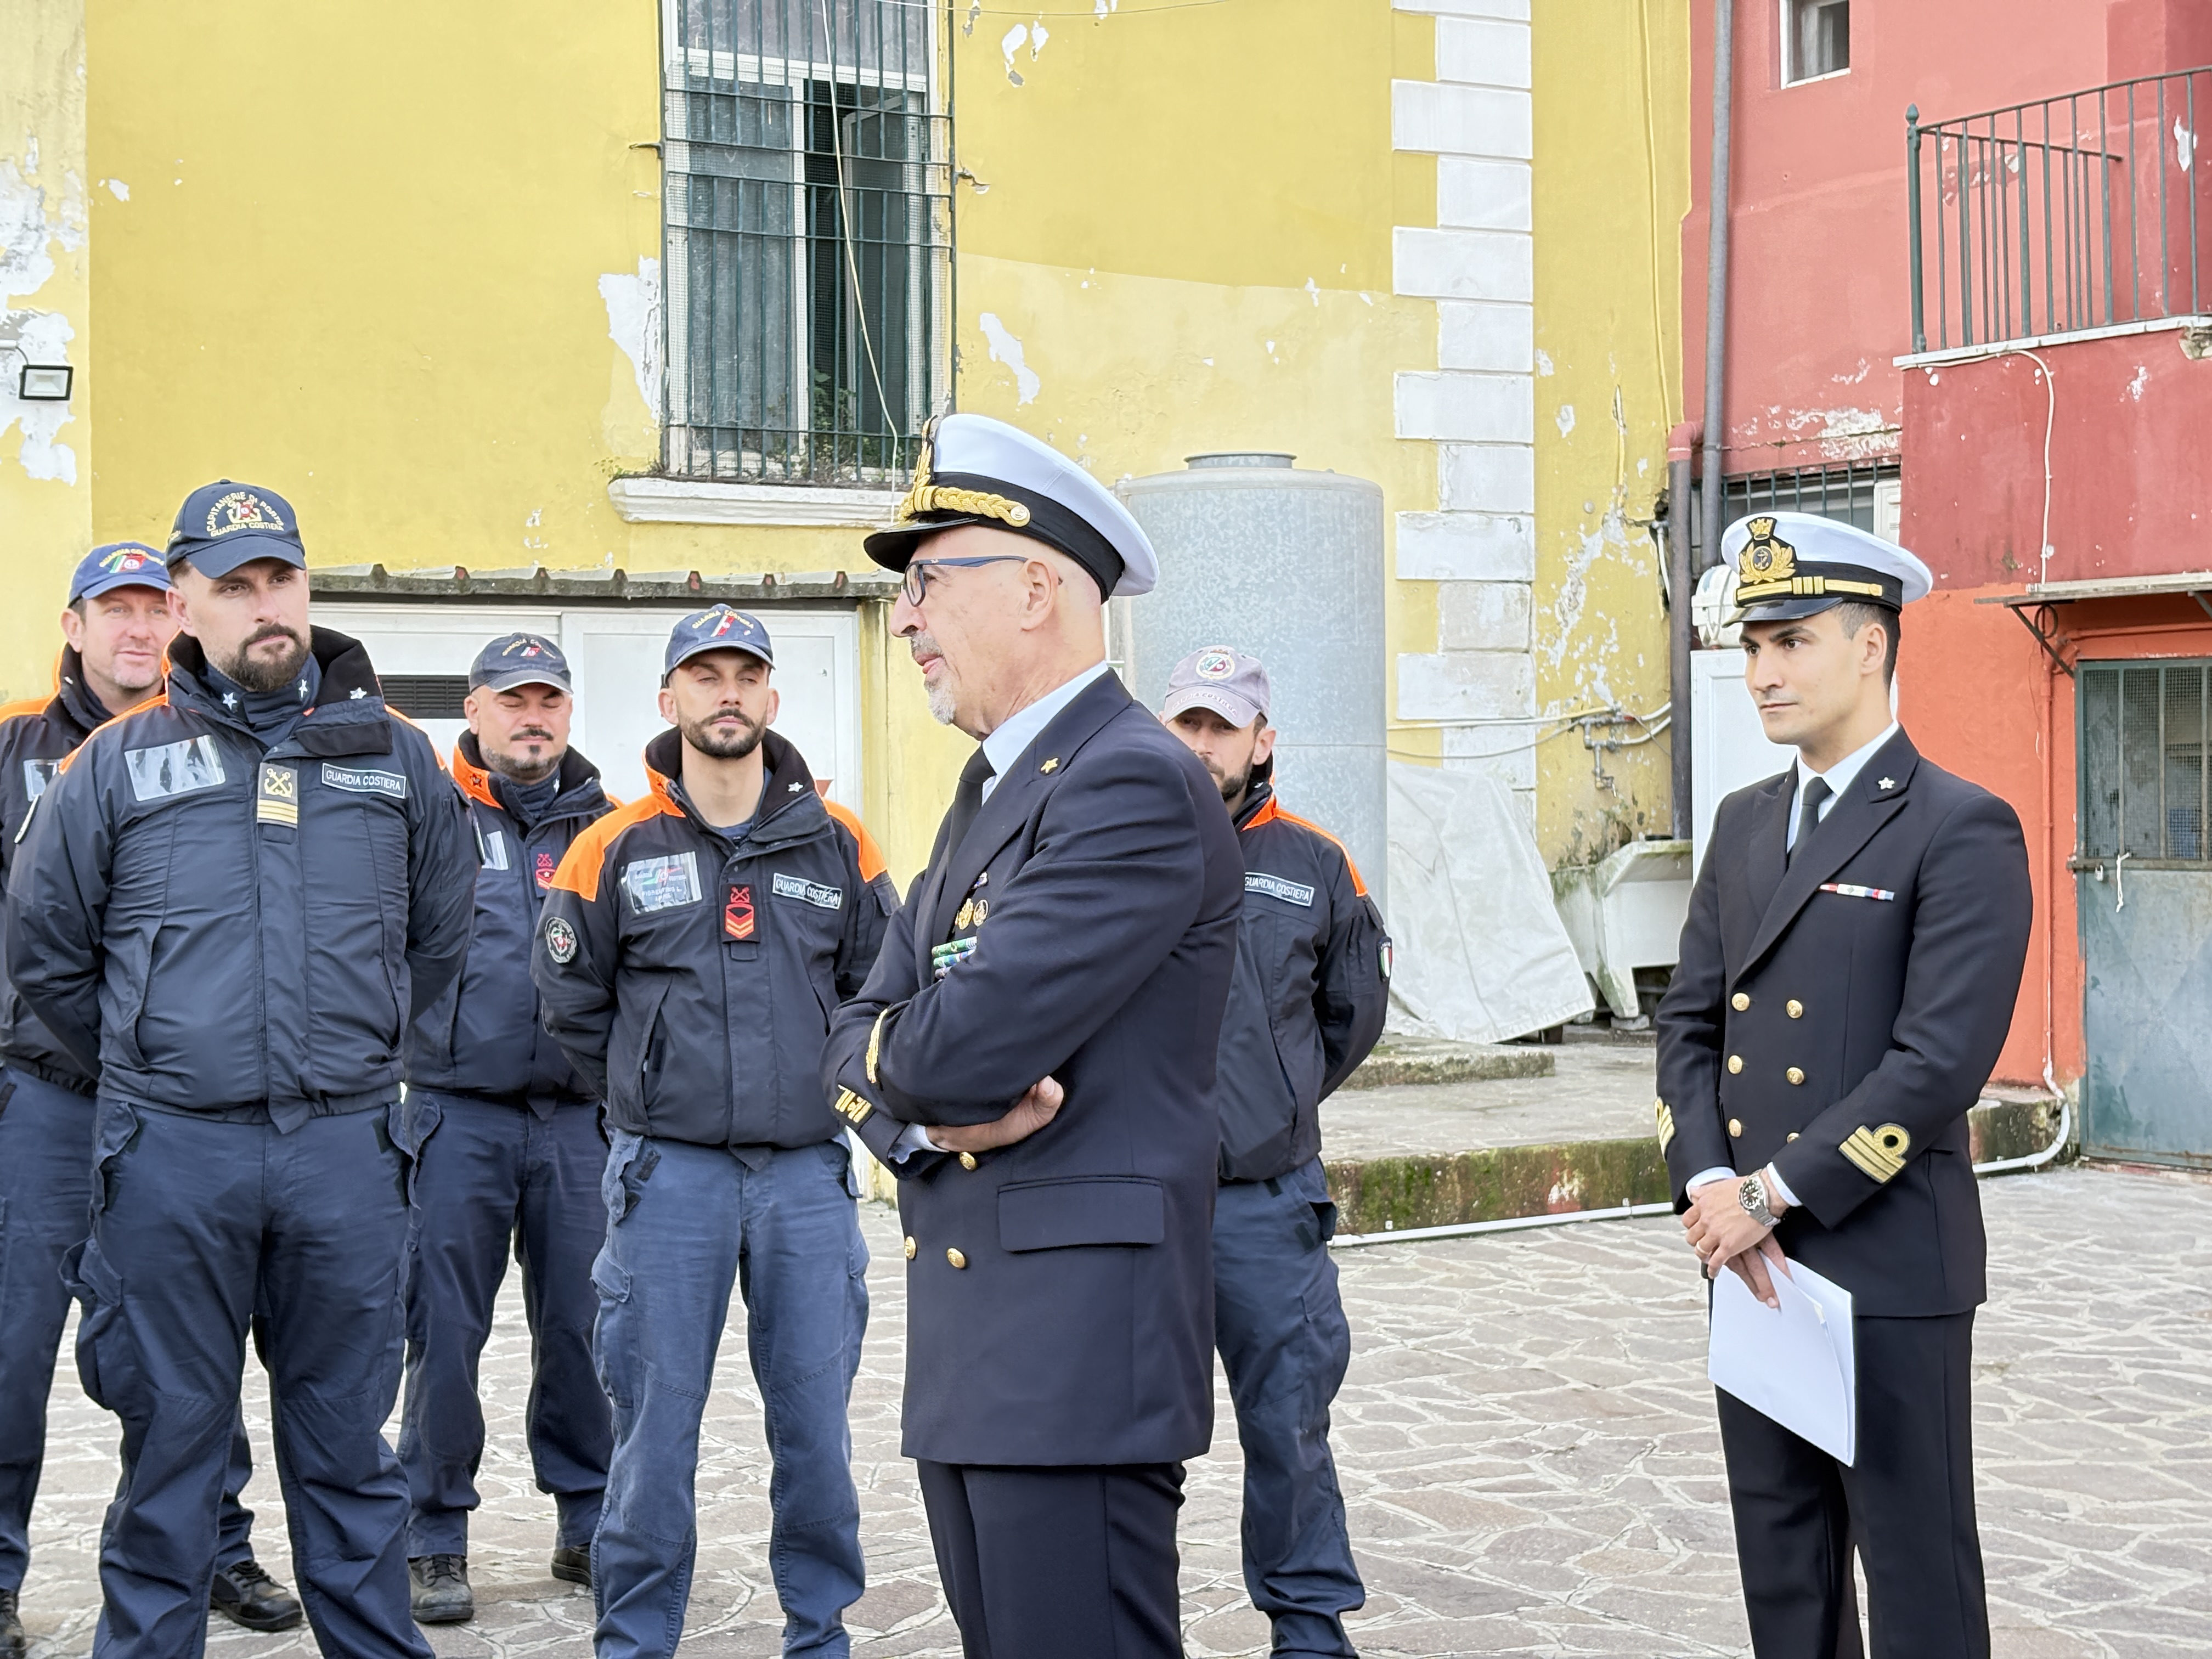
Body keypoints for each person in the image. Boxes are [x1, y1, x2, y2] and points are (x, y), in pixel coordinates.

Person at [4, 481, 476, 1659]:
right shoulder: (114, 764)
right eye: (234, 586)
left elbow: (440, 938)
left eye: (283, 579)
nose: (267, 606)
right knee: (171, 1454)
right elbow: (46, 951)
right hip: (173, 1159)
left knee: (349, 1455)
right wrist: (157, 1055)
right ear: (182, 607)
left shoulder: (398, 758)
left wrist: (350, 1048)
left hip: (346, 1156)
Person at [822, 413, 1244, 1659]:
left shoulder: (1129, 779)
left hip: (1074, 1357)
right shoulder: (997, 787)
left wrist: (911, 1071)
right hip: (988, 1350)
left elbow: (949, 1050)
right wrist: (921, 1113)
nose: (905, 620)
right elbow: (849, 1036)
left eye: (926, 582)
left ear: (1036, 590)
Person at [1654, 512, 2033, 1659]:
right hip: (1749, 1260)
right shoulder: (1743, 822)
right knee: (1786, 1570)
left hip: (1882, 1253)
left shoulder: (1958, 826)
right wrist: (1710, 1184)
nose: (1762, 672)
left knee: (1916, 1577)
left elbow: (1937, 1063)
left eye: (1793, 641)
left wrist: (1769, 1193)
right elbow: (1688, 1025)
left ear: (1871, 646)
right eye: (1752, 646)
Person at [531, 605, 896, 1659]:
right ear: (669, 698)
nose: (726, 693)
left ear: (772, 697)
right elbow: (570, 1003)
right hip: (667, 1182)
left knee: (815, 1430)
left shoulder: (841, 843)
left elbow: (881, 992)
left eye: (746, 675)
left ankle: (818, 1634)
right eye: (705, 675)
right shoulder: (611, 846)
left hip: (805, 1182)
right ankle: (636, 1639)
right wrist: (649, 1091)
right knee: (652, 1433)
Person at [0, 545, 300, 1656]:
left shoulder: (229, 739)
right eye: (112, 611)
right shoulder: (15, 745)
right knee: (12, 1351)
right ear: (73, 626)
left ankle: (215, 1549)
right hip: (48, 1100)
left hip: (179, 1113)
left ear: (178, 617)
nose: (136, 631)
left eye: (149, 610)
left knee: (191, 1342)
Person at [1161, 644, 1389, 1659]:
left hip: (1264, 1204)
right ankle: (1131, 1626)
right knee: (1130, 1435)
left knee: (1290, 1424)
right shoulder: (1115, 846)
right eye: (1189, 724)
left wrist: (1272, 1102)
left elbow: (1351, 1015)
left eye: (1223, 727)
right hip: (1141, 1203)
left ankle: (1307, 1629)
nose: (1203, 744)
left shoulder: (1318, 863)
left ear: (1262, 741)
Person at [397, 633, 617, 1622]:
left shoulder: (611, 827)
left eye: (549, 701)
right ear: (473, 710)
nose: (534, 718)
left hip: (578, 1123)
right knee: (444, 1332)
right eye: (513, 700)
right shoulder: (426, 813)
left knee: (584, 1328)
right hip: (456, 1117)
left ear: (569, 713)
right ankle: (434, 1536)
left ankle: (588, 1520)